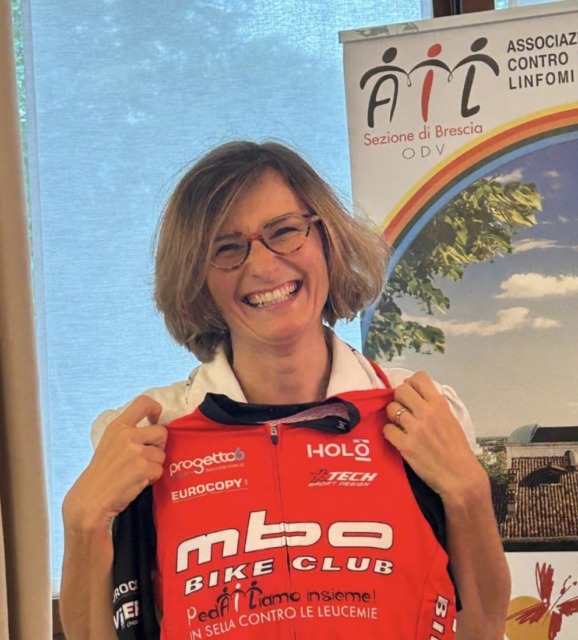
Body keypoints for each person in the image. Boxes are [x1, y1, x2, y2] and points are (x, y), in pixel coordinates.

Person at [60, 140, 510, 640]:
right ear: (197, 279)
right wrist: (83, 520)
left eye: (284, 231)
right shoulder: (146, 434)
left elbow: (484, 628)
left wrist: (469, 491)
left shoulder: (420, 411)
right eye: (226, 248)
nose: (263, 266)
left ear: (327, 239)